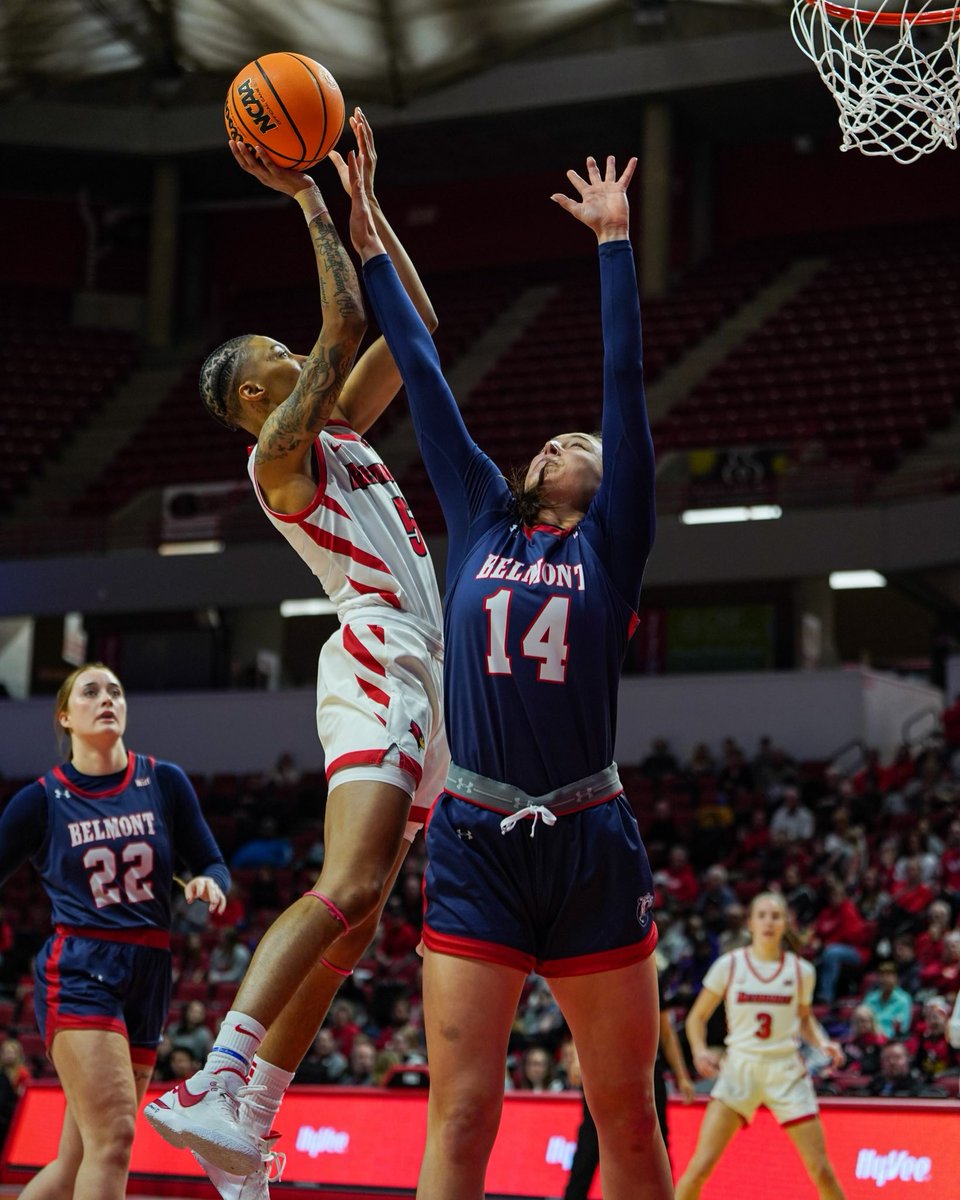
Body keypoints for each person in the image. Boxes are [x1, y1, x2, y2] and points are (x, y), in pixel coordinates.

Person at [352, 152, 671, 1200]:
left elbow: (621, 387)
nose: (573, 439)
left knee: (627, 1113)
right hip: (479, 839)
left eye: (585, 441)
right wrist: (368, 247)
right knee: (464, 1113)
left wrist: (614, 246)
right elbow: (426, 381)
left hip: (590, 841)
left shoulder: (615, 537)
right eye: (557, 439)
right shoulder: (482, 514)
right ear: (533, 474)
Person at [145, 109, 449, 1198]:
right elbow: (343, 317)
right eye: (280, 357)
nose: (297, 351)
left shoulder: (342, 432)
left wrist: (368, 211)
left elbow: (407, 321)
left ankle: (247, 1126)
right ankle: (213, 1078)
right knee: (351, 881)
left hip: (430, 668)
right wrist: (308, 196)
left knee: (361, 921)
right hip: (375, 654)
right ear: (259, 397)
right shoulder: (281, 457)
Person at [0, 663, 228, 1200]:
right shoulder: (42, 799)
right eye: (91, 691)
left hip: (149, 972)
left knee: (74, 1161)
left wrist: (207, 883)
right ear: (65, 716)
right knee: (116, 1139)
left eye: (116, 691)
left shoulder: (163, 781)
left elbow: (212, 862)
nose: (107, 698)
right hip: (81, 969)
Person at [675, 891, 846, 1200]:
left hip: (786, 1071)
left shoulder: (801, 971)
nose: (769, 922)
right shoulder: (729, 965)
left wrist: (824, 1043)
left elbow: (804, 1020)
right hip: (739, 1070)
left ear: (785, 924)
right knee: (700, 1166)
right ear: (750, 923)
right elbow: (695, 1018)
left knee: (822, 1170)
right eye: (762, 916)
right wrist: (700, 1050)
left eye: (776, 916)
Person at [563, 980, 696, 1200]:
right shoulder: (595, 970)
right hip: (601, 1069)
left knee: (657, 1141)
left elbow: (666, 1033)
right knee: (590, 1145)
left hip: (647, 1071)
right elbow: (580, 1021)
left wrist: (683, 1077)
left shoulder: (650, 975)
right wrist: (577, 1059)